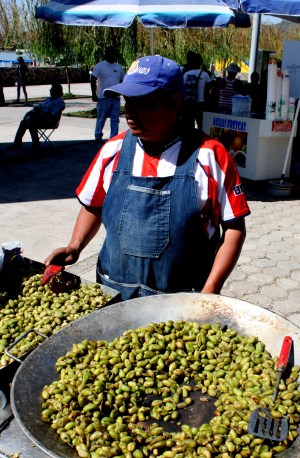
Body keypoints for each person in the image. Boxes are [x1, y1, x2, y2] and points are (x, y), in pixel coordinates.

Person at [45, 55, 250, 302]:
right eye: (127, 101)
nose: (130, 112)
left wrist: (209, 293)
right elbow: (93, 205)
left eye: (142, 103)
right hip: (115, 293)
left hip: (184, 299)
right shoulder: (114, 150)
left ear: (174, 103)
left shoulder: (209, 156)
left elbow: (234, 229)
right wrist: (74, 246)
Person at [9, 82, 65, 151]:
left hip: (49, 121)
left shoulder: (60, 102)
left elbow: (52, 114)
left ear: (57, 91)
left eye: (52, 89)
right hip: (40, 117)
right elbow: (40, 105)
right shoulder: (48, 99)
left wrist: (41, 112)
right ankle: (17, 143)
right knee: (24, 122)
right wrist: (37, 108)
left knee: (31, 123)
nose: (50, 91)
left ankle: (36, 146)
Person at [91, 46, 125, 145]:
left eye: (113, 53)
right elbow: (92, 79)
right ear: (105, 54)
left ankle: (113, 137)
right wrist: (94, 94)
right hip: (103, 97)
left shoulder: (119, 67)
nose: (111, 55)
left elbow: (123, 81)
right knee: (101, 117)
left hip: (116, 98)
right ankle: (98, 135)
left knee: (115, 119)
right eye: (109, 53)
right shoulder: (100, 66)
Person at [182, 53, 211, 131]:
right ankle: (200, 141)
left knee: (189, 125)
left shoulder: (186, 74)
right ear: (200, 63)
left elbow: (183, 89)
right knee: (201, 125)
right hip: (201, 104)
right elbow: (207, 91)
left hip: (189, 103)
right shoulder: (205, 75)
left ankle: (190, 140)